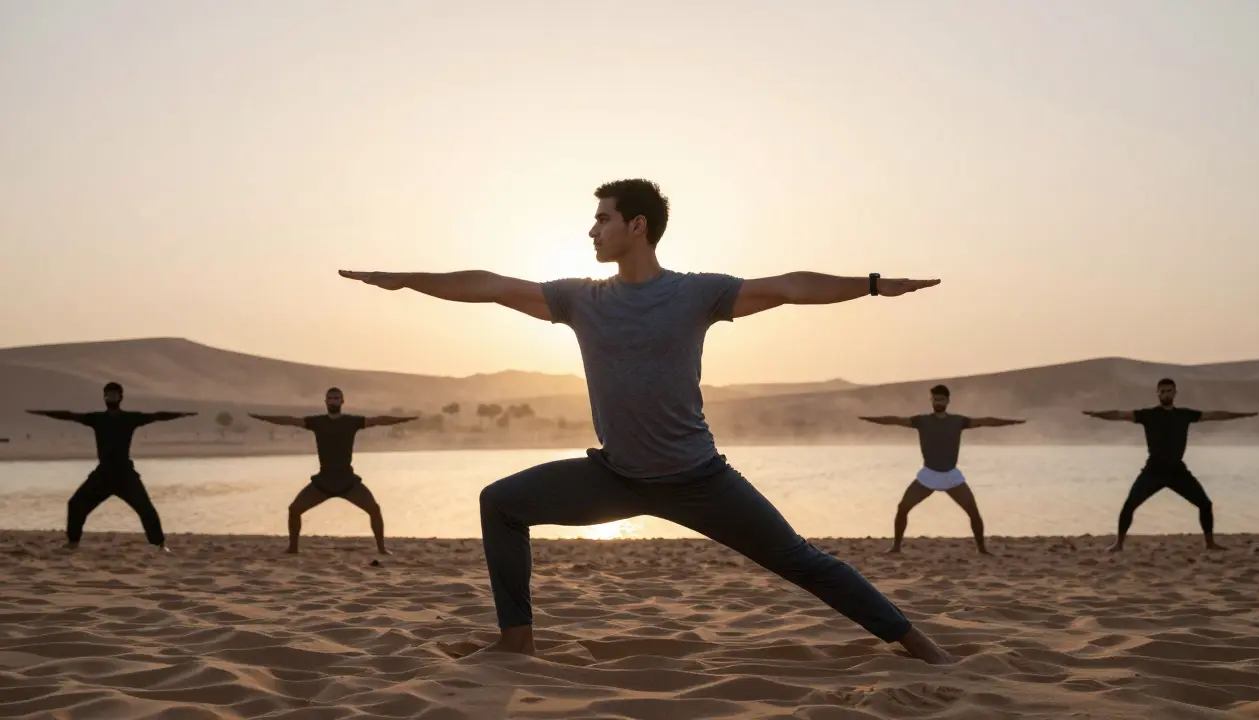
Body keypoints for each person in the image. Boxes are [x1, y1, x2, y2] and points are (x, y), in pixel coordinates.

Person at [339, 178, 954, 664]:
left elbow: (790, 285)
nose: (592, 230)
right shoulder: (581, 297)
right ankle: (516, 641)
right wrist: (407, 281)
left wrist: (874, 284)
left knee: (803, 561)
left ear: (637, 225)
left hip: (700, 480)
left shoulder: (697, 293)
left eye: (602, 218)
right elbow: (493, 285)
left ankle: (920, 646)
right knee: (500, 502)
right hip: (616, 476)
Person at [1083, 378, 1257, 552]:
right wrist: (1097, 414)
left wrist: (1241, 415)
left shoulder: (1184, 415)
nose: (1166, 394)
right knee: (1130, 504)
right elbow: (1120, 414)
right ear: (1157, 394)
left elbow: (1213, 415)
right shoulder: (1149, 415)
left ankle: (1210, 544)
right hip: (1153, 470)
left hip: (1177, 471)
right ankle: (1118, 544)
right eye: (1162, 391)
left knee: (1205, 504)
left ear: (1175, 393)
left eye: (1169, 391)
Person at [26, 382, 196, 551]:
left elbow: (156, 416)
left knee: (146, 510)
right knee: (76, 504)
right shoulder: (97, 419)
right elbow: (70, 415)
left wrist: (181, 414)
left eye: (114, 395)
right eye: (107, 395)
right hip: (103, 475)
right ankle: (73, 543)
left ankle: (159, 545)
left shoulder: (130, 419)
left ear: (120, 397)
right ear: (104, 398)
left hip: (125, 474)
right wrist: (43, 413)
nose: (110, 398)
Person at [859, 384, 1025, 555]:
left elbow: (985, 421)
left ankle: (982, 549)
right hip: (928, 475)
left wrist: (1011, 422)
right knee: (903, 508)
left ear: (947, 400)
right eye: (935, 399)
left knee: (973, 512)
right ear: (931, 400)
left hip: (951, 476)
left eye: (941, 399)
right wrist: (870, 419)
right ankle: (896, 547)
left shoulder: (958, 421)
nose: (938, 402)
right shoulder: (921, 421)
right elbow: (895, 420)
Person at [247, 387, 416, 554]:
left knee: (374, 509)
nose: (333, 401)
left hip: (348, 482)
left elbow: (379, 420)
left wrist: (404, 419)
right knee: (294, 509)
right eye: (330, 398)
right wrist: (263, 417)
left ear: (342, 401)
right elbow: (290, 420)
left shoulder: (352, 422)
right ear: (325, 402)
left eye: (336, 398)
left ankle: (382, 548)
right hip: (323, 482)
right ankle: (292, 548)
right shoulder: (317, 422)